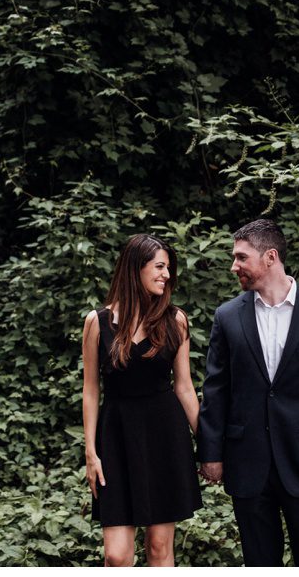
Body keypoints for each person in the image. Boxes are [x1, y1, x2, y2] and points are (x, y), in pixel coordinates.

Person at [196, 219, 299, 566]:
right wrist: (211, 453)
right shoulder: (227, 317)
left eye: (241, 257)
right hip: (247, 462)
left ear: (270, 257)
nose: (234, 266)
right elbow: (216, 390)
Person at [81, 233, 202, 566]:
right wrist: (90, 451)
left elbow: (185, 388)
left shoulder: (175, 320)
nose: (166, 275)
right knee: (116, 556)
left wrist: (209, 445)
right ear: (136, 268)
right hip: (116, 437)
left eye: (168, 268)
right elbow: (90, 389)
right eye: (159, 267)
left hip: (164, 436)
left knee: (159, 547)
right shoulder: (97, 322)